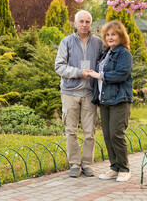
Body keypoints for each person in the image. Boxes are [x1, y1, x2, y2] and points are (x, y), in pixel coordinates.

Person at [55, 10, 103, 178]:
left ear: (91, 24)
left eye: (87, 21)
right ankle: (74, 164)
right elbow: (59, 66)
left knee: (90, 131)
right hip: (70, 92)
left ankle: (88, 164)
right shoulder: (66, 42)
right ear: (75, 23)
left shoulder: (98, 43)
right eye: (81, 21)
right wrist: (78, 72)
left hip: (90, 93)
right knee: (71, 130)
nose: (84, 24)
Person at [87, 21, 133, 182]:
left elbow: (121, 74)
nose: (110, 37)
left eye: (113, 34)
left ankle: (124, 169)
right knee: (107, 135)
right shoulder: (107, 53)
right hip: (104, 99)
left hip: (119, 99)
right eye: (107, 35)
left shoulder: (124, 54)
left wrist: (100, 76)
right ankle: (114, 167)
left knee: (116, 134)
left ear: (121, 36)